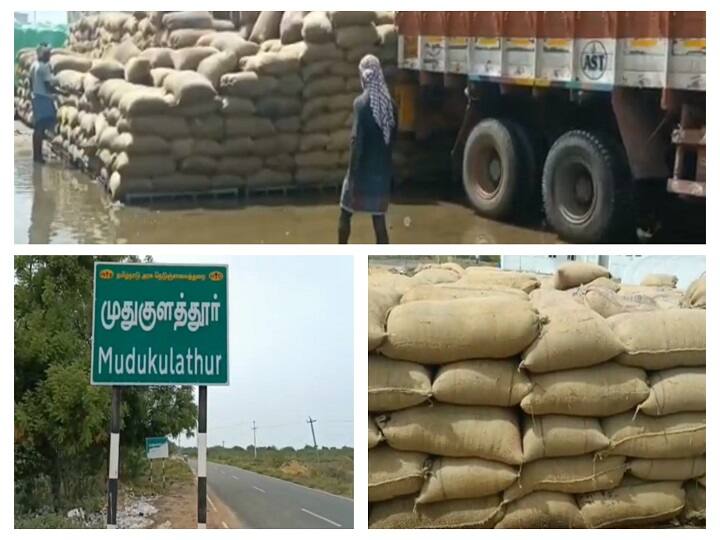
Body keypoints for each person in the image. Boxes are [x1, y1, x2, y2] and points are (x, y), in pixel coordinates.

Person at [339, 54, 397, 244]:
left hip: (361, 173)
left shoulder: (361, 105)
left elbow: (357, 141)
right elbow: (392, 142)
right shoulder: (392, 107)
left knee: (345, 215)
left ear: (363, 76)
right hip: (381, 175)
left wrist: (351, 176)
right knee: (379, 221)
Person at [29, 45, 57, 163]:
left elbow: (30, 81)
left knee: (38, 128)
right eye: (48, 55)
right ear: (45, 56)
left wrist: (32, 93)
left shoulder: (34, 65)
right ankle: (38, 156)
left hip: (36, 97)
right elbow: (48, 87)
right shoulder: (44, 68)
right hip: (44, 99)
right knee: (41, 127)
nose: (50, 57)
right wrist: (59, 92)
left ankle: (37, 154)